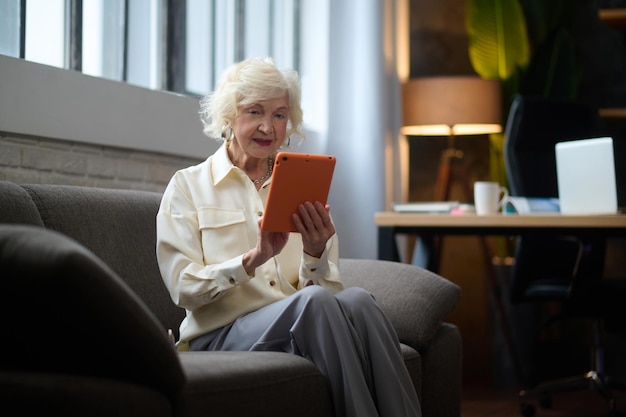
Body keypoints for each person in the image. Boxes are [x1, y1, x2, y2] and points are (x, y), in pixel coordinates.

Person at [156, 57, 421, 417]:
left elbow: (327, 297)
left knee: (359, 300)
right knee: (314, 304)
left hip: (295, 326)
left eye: (279, 115)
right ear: (229, 116)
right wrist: (252, 260)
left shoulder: (299, 184)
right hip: (218, 337)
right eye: (255, 112)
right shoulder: (188, 186)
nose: (268, 127)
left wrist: (314, 253)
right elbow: (183, 288)